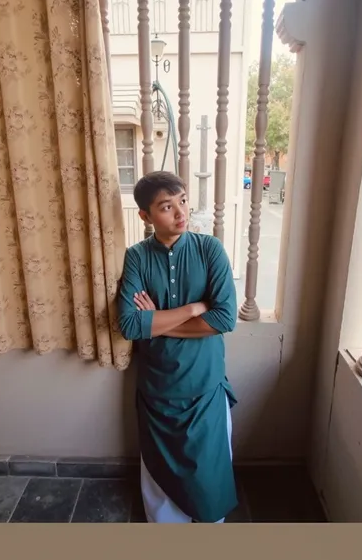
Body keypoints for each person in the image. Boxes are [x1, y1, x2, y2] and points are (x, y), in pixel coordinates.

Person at [118, 171, 238, 523]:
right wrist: (192, 309)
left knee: (210, 475)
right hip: (158, 390)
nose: (181, 212)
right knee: (160, 481)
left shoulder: (209, 249)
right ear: (146, 215)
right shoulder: (137, 257)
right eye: (167, 206)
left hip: (205, 385)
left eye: (183, 201)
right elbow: (129, 325)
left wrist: (156, 322)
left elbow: (224, 319)